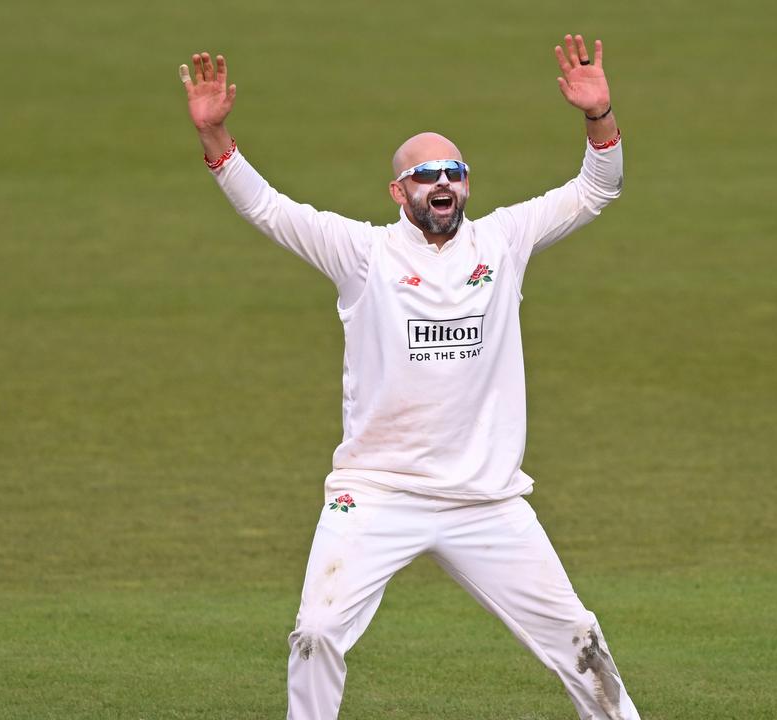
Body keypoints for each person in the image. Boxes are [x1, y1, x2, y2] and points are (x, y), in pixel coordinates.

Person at [180, 33, 639, 720]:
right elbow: (269, 209)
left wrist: (597, 116)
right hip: (378, 493)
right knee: (315, 634)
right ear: (399, 191)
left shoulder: (505, 242)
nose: (443, 184)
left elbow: (598, 189)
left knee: (578, 638)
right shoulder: (362, 255)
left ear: (467, 185)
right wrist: (217, 135)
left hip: (486, 500)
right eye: (426, 176)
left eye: (454, 172)